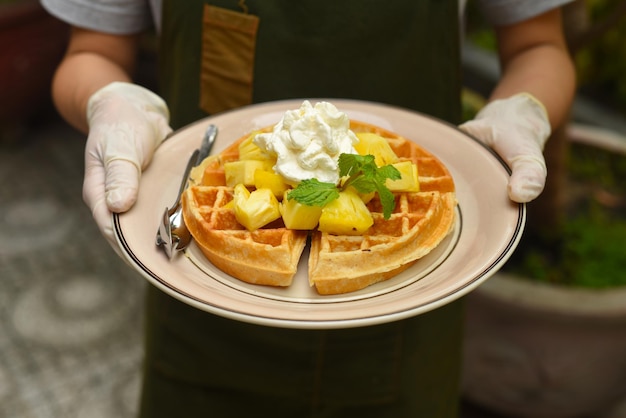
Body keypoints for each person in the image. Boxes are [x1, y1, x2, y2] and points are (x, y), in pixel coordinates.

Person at [41, 1, 576, 417]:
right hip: (201, 311)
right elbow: (91, 54)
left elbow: (538, 46)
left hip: (408, 325)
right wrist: (108, 102)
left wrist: (524, 111)